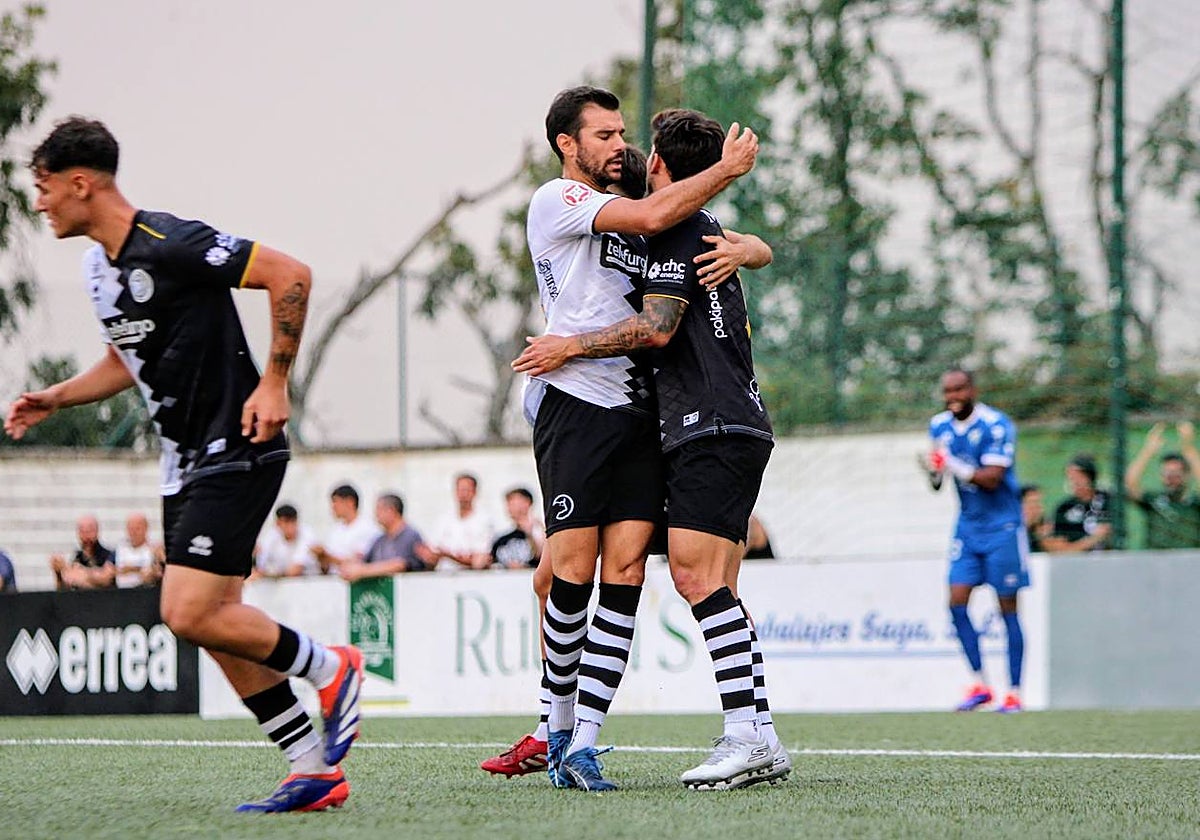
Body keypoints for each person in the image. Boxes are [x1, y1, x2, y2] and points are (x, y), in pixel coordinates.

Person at [5, 117, 362, 813]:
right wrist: (56, 397)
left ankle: (332, 666)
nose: (40, 203)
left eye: (44, 188)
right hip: (184, 465)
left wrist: (275, 382)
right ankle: (311, 768)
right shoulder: (97, 270)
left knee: (187, 609)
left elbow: (290, 275)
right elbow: (125, 360)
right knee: (213, 622)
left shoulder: (169, 241)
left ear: (80, 184)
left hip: (239, 446)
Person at [481, 134, 772, 783]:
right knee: (558, 577)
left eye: (626, 143)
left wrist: (749, 244)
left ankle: (587, 739)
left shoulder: (669, 229)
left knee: (657, 576)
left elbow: (663, 316)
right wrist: (749, 240)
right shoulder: (567, 205)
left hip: (673, 419)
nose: (619, 145)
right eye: (607, 136)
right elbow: (722, 241)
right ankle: (554, 729)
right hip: (601, 411)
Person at [922, 368, 1027, 713]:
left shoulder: (996, 425)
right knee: (956, 601)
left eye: (959, 390)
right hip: (967, 527)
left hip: (1003, 527)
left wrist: (950, 462)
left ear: (973, 390)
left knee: (1007, 606)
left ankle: (1014, 692)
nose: (953, 397)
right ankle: (981, 684)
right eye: (947, 391)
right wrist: (933, 470)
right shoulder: (939, 426)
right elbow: (938, 480)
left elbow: (992, 479)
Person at [1124, 421, 1200, 550]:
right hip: (1156, 560)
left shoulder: (1194, 503)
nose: (1171, 479)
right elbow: (1129, 484)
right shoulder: (1153, 500)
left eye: (1176, 474)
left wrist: (1188, 448)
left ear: (1187, 475)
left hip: (1189, 560)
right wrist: (1148, 450)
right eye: (1167, 474)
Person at [339, 494, 436, 580]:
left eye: (379, 509)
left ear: (391, 510)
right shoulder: (379, 540)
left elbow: (401, 564)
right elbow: (365, 561)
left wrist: (362, 571)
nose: (376, 514)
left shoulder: (410, 536)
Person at [1043, 455, 1111, 552]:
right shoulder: (1064, 508)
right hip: (1076, 559)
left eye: (1079, 477)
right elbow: (1060, 548)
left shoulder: (1109, 501)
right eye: (1070, 477)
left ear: (1090, 477)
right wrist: (1092, 539)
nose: (1074, 481)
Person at [311, 483, 381, 574]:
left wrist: (327, 556)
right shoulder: (335, 531)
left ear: (350, 502)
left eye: (336, 502)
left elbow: (360, 562)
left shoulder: (367, 528)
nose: (333, 507)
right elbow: (327, 567)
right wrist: (321, 557)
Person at [49, 514, 116, 590]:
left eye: (89, 531)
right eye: (82, 532)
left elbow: (106, 578)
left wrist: (82, 573)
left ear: (97, 531)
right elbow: (65, 588)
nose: (86, 536)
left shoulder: (108, 556)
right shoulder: (78, 557)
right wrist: (58, 573)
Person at [253, 504, 319, 579]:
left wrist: (266, 574)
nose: (290, 526)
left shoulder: (307, 534)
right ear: (278, 523)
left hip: (310, 580)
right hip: (284, 580)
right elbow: (260, 564)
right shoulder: (272, 535)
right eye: (286, 522)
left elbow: (295, 571)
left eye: (293, 521)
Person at [490, 487, 546, 569]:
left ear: (527, 503)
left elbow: (542, 556)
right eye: (508, 503)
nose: (509, 507)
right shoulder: (504, 535)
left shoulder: (539, 529)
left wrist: (529, 534)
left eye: (513, 502)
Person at [114, 511, 165, 588]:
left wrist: (131, 569)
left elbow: (156, 572)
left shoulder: (154, 549)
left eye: (137, 529)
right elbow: (112, 571)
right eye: (131, 529)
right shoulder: (120, 549)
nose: (134, 533)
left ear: (146, 528)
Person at [1019, 485, 1051, 554]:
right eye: (1034, 502)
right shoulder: (1013, 532)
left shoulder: (1043, 529)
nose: (1039, 507)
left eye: (1040, 502)